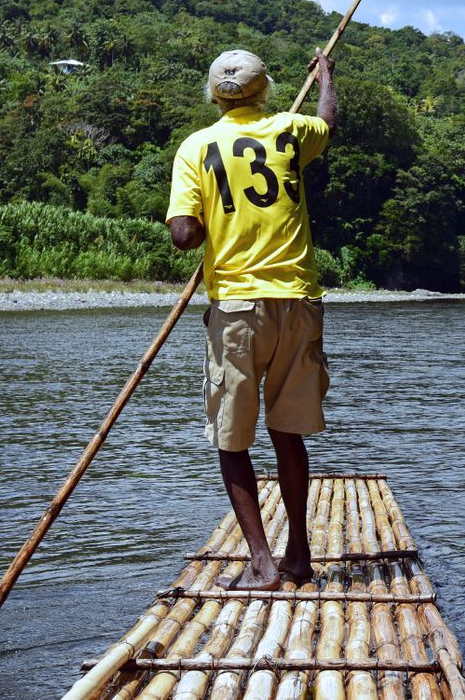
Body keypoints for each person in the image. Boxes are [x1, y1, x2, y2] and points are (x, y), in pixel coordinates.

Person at [166, 47, 337, 591]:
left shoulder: (196, 147)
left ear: (214, 94)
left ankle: (262, 564)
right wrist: (326, 78)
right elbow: (328, 120)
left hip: (238, 307)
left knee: (232, 439)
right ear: (264, 89)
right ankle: (299, 557)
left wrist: (201, 217)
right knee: (288, 433)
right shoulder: (291, 130)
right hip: (298, 301)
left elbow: (183, 235)